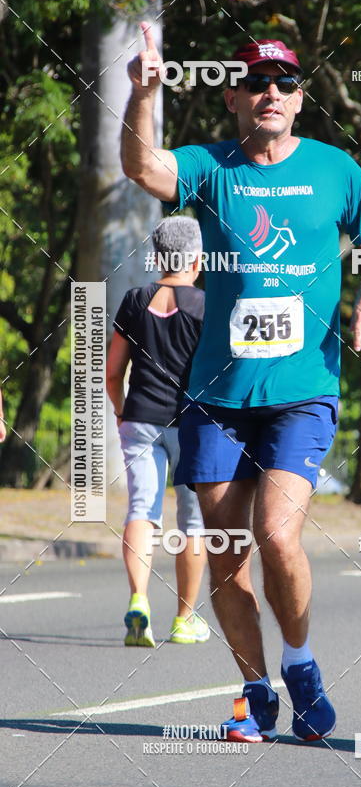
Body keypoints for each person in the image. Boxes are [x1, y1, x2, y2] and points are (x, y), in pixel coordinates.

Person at [121, 26, 361, 741]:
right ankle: (254, 688)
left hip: (303, 390)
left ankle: (300, 664)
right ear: (234, 98)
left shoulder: (338, 171)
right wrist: (143, 93)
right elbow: (142, 168)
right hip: (215, 399)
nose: (269, 93)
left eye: (283, 83)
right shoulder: (211, 167)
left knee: (278, 535)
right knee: (224, 551)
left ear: (300, 100)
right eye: (256, 83)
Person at [106, 216, 210, 648]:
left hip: (140, 418)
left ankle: (139, 601)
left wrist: (121, 412)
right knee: (193, 521)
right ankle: (184, 619)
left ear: (157, 256)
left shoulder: (134, 300)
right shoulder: (206, 306)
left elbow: (113, 373)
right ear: (198, 259)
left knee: (141, 511)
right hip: (192, 424)